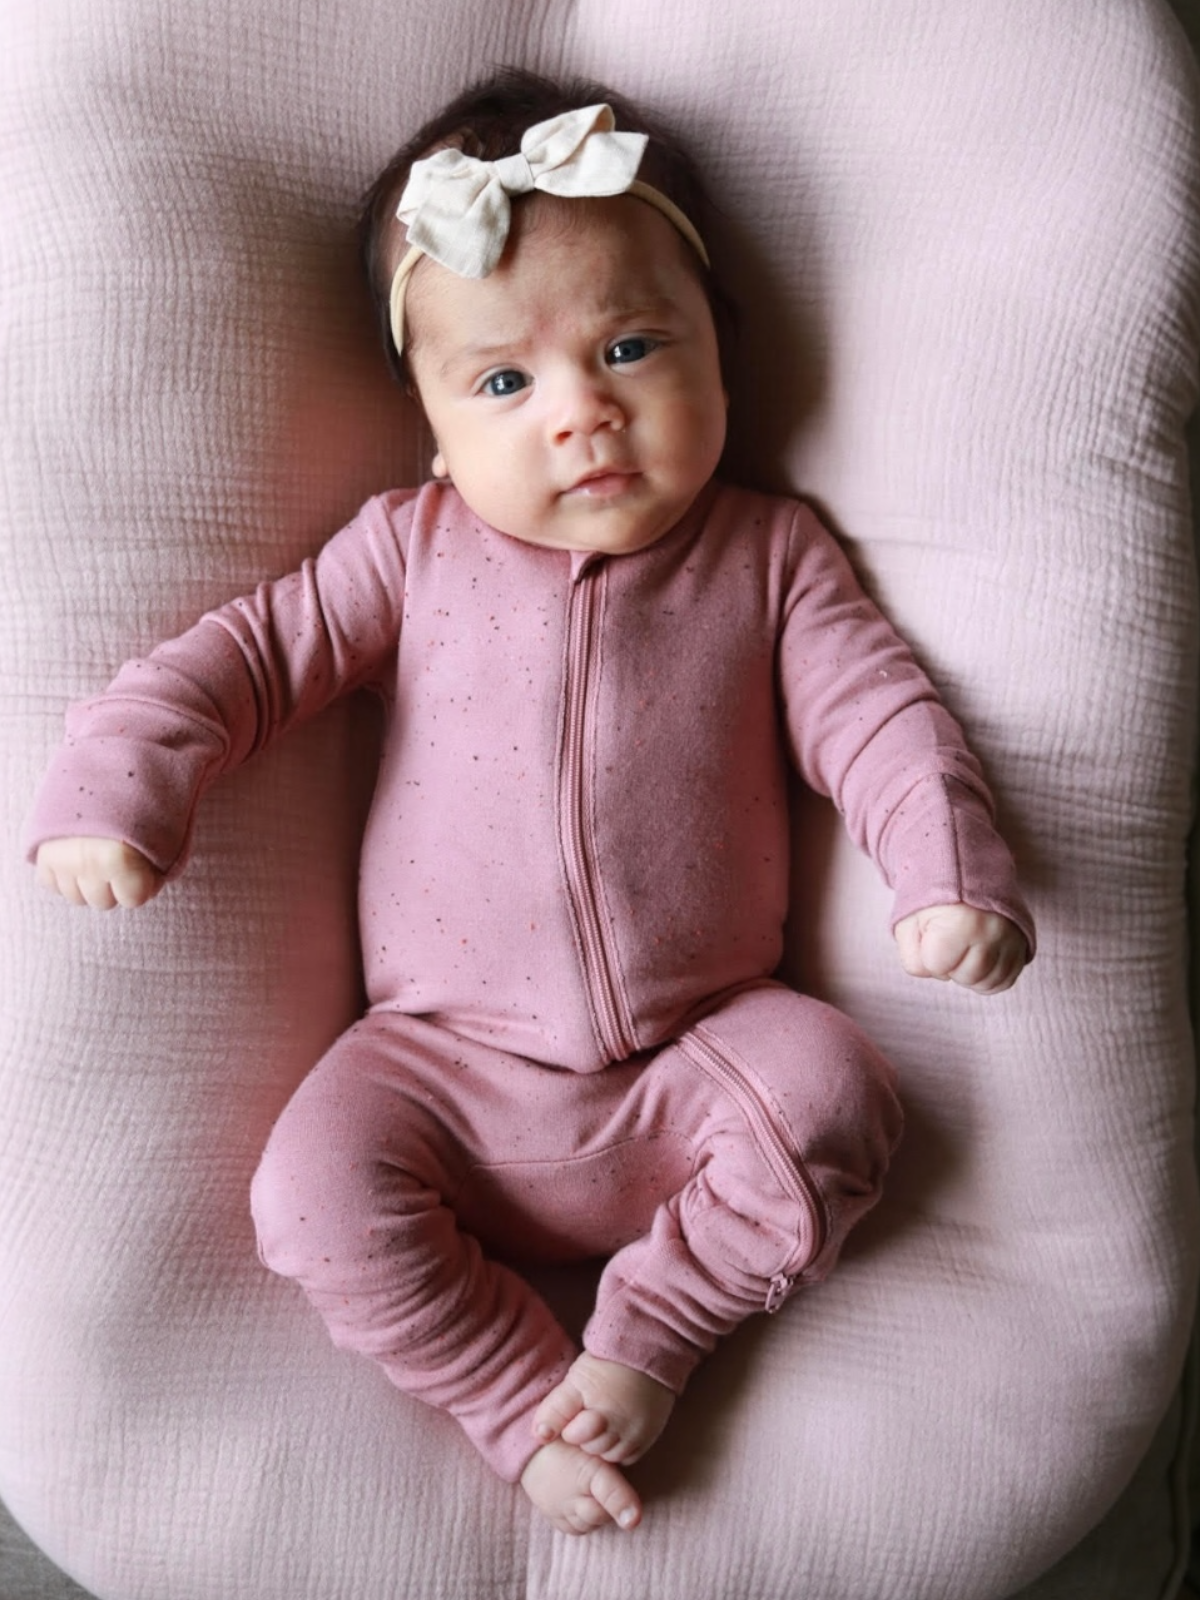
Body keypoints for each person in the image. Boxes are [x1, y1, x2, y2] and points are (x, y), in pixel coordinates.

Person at [26, 68, 1034, 1536]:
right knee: (307, 1190)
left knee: (843, 1096)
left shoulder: (770, 559)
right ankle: (518, 1399)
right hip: (440, 1068)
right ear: (433, 427)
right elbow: (244, 662)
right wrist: (120, 788)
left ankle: (651, 1335)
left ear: (721, 354)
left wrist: (946, 875)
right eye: (505, 382)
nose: (582, 415)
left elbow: (877, 715)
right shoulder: (409, 552)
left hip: (701, 1057)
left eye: (631, 346)